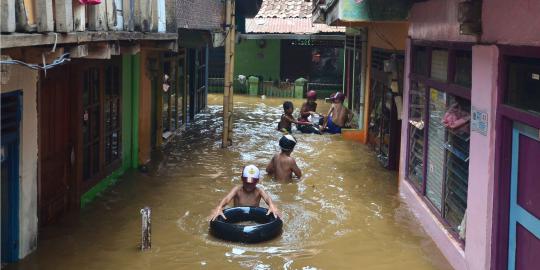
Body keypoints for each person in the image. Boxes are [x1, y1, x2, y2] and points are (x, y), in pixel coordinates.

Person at [209, 165, 281, 221]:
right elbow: (227, 198)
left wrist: (272, 205)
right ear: (242, 179)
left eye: (252, 183)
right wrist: (219, 207)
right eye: (246, 182)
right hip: (238, 216)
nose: (249, 185)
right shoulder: (237, 190)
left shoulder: (259, 191)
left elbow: (267, 198)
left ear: (257, 181)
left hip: (253, 216)